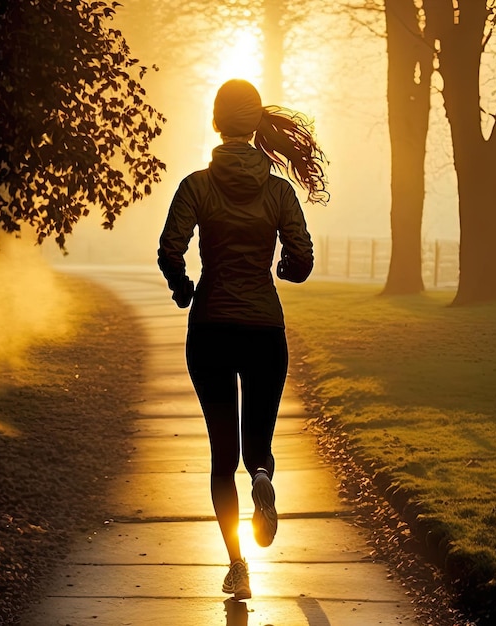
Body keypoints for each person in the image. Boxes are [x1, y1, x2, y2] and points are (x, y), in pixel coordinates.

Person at [157, 78, 328, 601]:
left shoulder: (196, 186)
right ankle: (262, 476)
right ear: (255, 125)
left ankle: (238, 565)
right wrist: (281, 267)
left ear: (216, 121)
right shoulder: (278, 191)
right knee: (259, 440)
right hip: (263, 331)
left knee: (219, 453)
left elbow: (170, 248)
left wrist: (184, 287)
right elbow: (302, 259)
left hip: (210, 328)